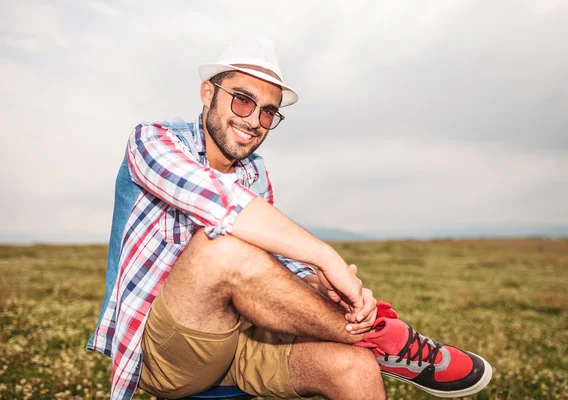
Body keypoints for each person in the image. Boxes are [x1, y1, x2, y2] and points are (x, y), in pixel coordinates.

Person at [87, 37, 492, 400]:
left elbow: (271, 258)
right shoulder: (152, 140)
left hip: (241, 338)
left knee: (353, 369)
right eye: (242, 100)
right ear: (207, 92)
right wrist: (325, 257)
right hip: (168, 353)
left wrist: (314, 281)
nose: (253, 121)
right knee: (223, 247)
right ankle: (385, 341)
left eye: (268, 113)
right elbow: (220, 204)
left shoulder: (255, 171)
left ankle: (372, 347)